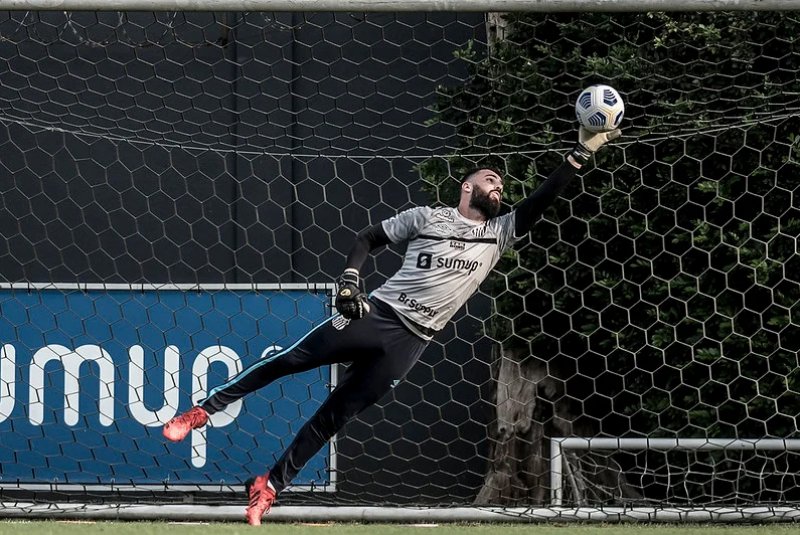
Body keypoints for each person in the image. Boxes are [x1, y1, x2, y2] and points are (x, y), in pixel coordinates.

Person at [162, 126, 621, 525]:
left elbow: (544, 197)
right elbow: (367, 238)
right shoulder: (428, 218)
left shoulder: (499, 233)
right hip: (376, 314)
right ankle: (202, 409)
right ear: (466, 187)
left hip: (411, 343)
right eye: (489, 178)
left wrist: (580, 154)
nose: (497, 184)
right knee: (287, 361)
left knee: (333, 418)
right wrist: (349, 280)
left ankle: (268, 486)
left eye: (501, 182)